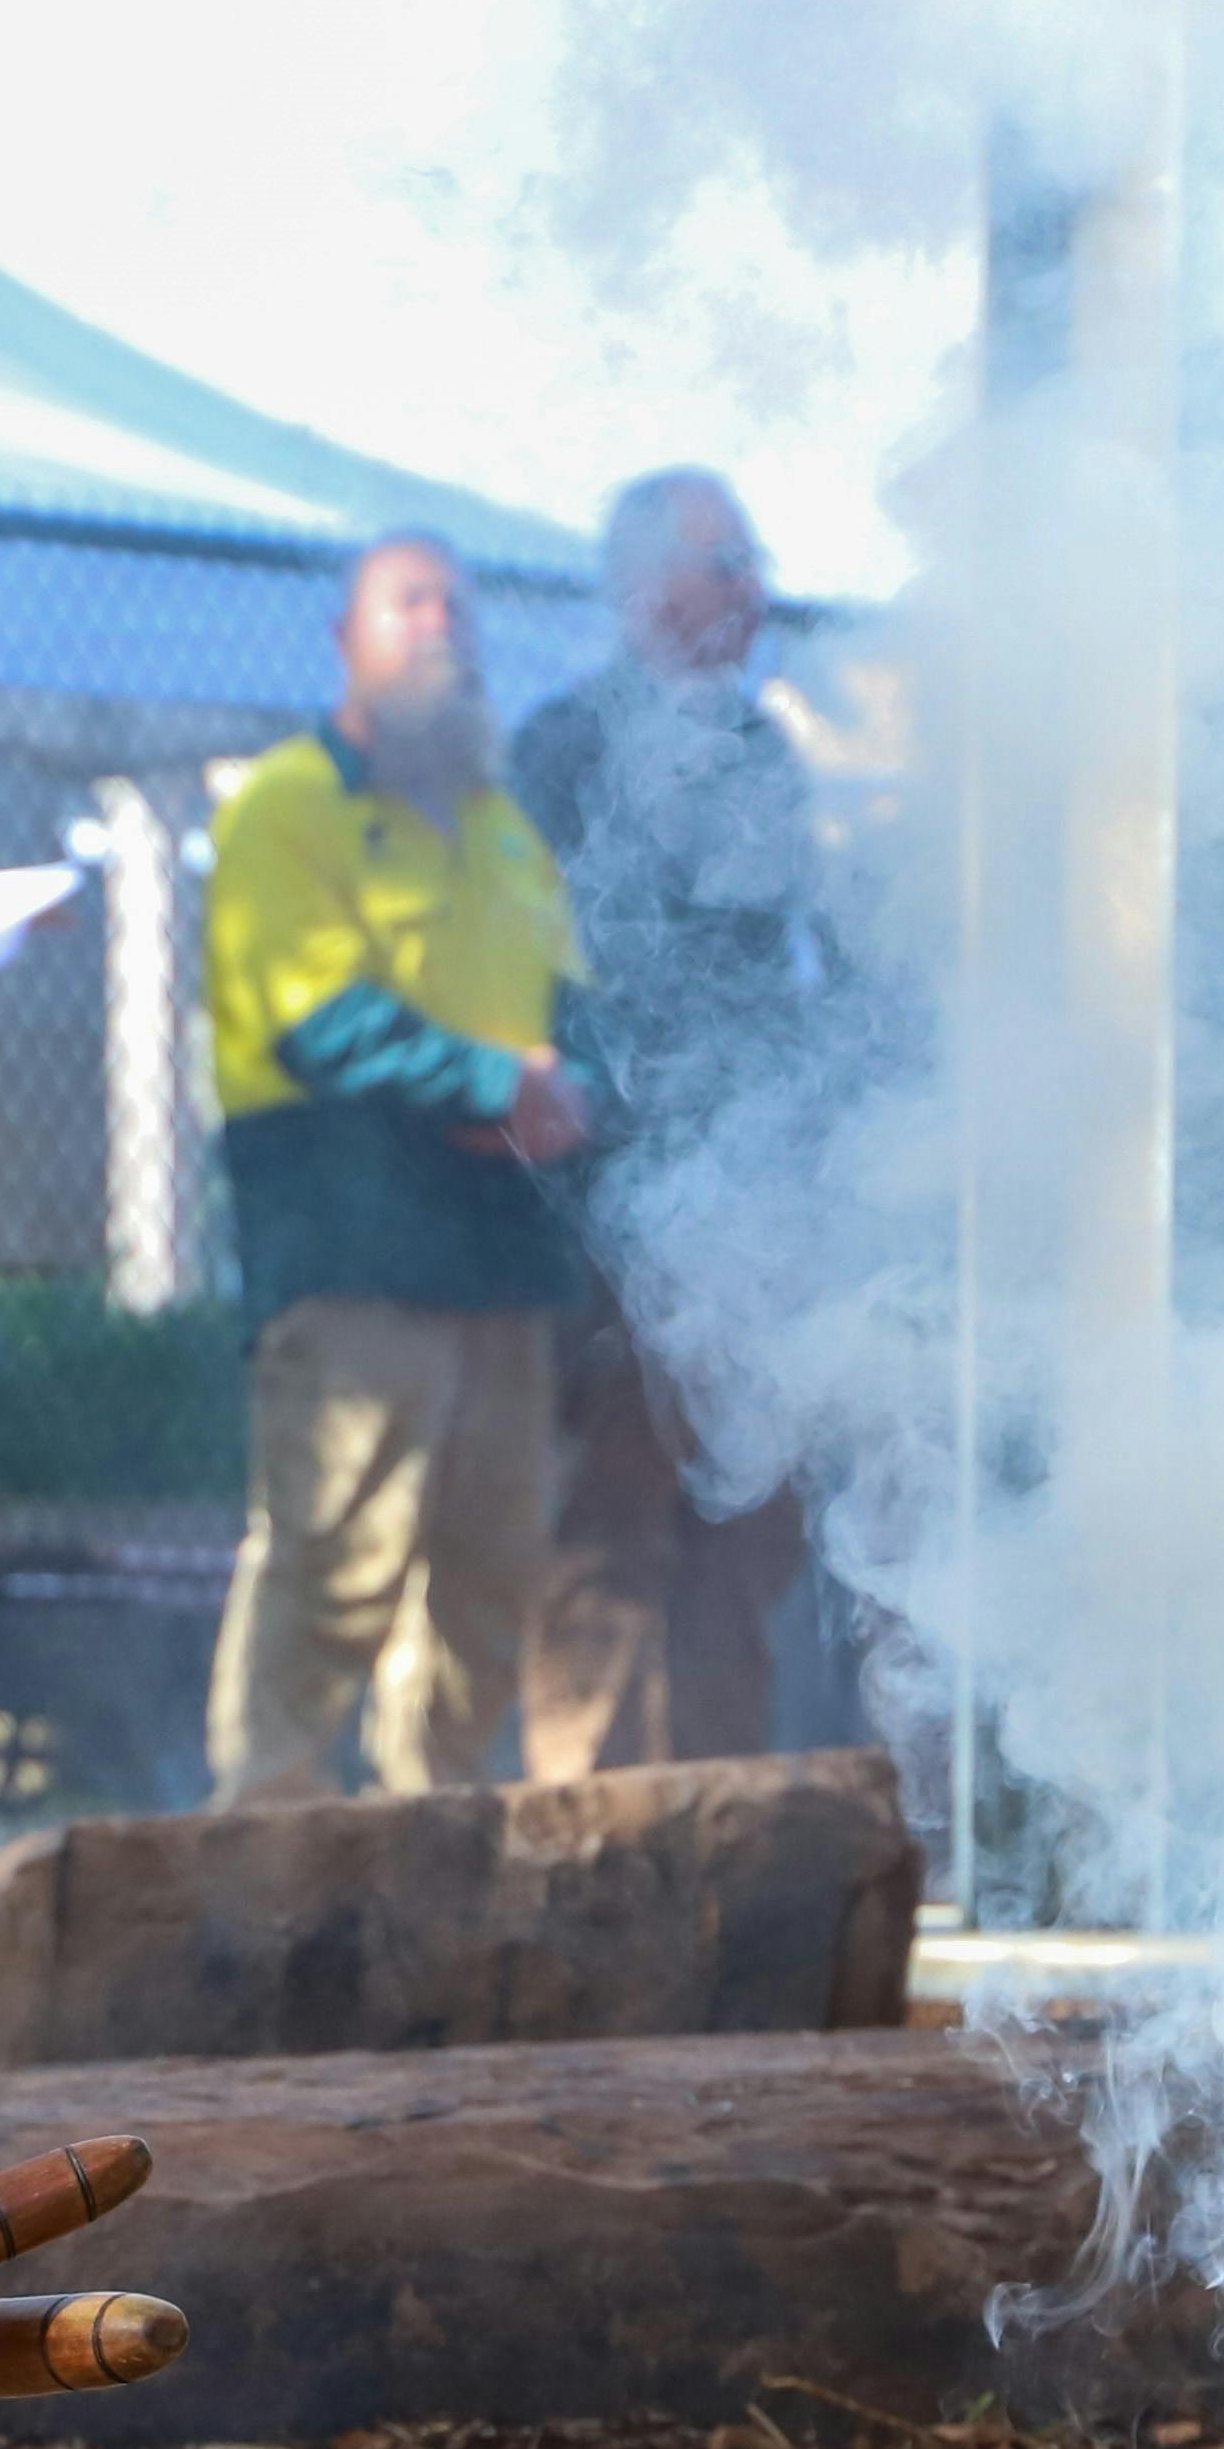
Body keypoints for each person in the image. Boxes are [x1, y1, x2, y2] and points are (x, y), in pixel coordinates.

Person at [198, 532, 594, 1803]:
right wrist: (492, 1084)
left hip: (501, 1262)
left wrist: (571, 1085)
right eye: (409, 602)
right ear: (345, 639)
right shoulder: (288, 804)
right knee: (335, 1560)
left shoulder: (502, 828)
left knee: (487, 1583)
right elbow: (313, 1018)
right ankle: (263, 1844)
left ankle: (443, 1847)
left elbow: (571, 1010)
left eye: (458, 606)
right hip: (353, 1247)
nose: (441, 626)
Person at [507, 467, 817, 1774]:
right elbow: (543, 978)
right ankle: (588, 1824)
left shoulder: (763, 752)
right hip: (610, 1218)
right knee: (610, 1521)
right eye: (727, 566)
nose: (755, 596)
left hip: (750, 1213)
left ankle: (731, 1824)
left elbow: (780, 976)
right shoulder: (563, 747)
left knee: (742, 1527)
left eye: (754, 567)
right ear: (646, 591)